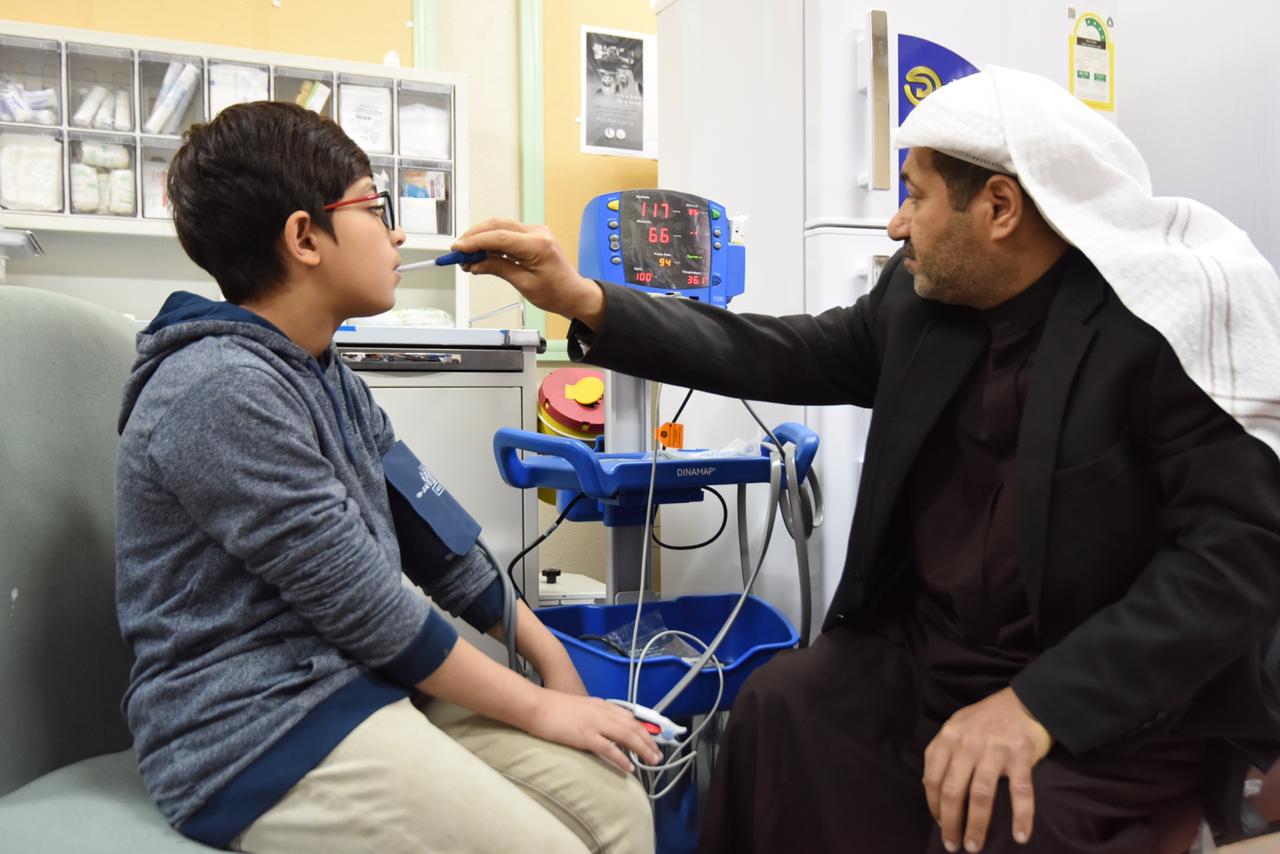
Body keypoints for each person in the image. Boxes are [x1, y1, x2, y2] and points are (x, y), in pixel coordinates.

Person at [452, 67, 1280, 853]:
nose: (894, 224)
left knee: (998, 815)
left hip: (1109, 701)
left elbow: (1235, 563)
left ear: (1000, 207)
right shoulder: (921, 304)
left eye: (915, 197)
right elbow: (789, 352)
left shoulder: (1162, 330)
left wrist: (1039, 704)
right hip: (930, 659)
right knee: (781, 708)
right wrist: (585, 300)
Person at [115, 101, 659, 854]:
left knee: (618, 804)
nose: (399, 232)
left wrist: (552, 661)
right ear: (304, 236)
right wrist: (540, 710)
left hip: (363, 683)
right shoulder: (215, 389)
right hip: (254, 731)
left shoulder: (325, 372)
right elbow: (365, 605)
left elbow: (436, 537)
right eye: (377, 207)